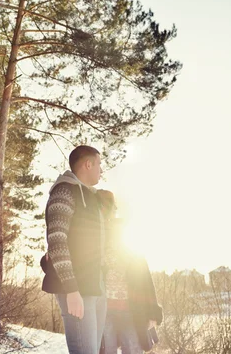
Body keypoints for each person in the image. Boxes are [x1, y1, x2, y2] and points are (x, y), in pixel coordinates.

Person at [41, 145, 107, 354]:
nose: (101, 170)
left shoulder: (92, 198)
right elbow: (57, 241)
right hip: (77, 289)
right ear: (88, 164)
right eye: (99, 164)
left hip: (95, 287)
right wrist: (71, 289)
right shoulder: (64, 191)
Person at [97, 190, 163, 354]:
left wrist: (152, 312)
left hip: (131, 310)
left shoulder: (131, 244)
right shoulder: (97, 240)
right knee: (107, 350)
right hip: (105, 311)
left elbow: (145, 281)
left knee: (133, 349)